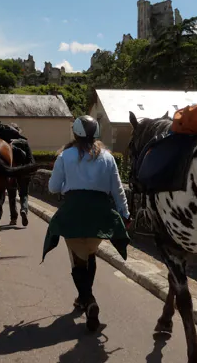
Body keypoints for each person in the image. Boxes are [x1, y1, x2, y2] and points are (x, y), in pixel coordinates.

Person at [42, 115, 131, 332]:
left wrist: (68, 184)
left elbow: (53, 187)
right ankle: (84, 299)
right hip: (100, 215)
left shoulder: (65, 156)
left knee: (77, 260)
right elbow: (118, 190)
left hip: (74, 213)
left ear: (75, 133)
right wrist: (125, 214)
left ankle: (88, 299)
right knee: (90, 254)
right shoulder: (108, 157)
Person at [7, 123, 32, 227]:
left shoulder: (7, 144)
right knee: (24, 194)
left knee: (12, 196)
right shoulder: (24, 142)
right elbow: (30, 159)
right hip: (23, 172)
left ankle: (13, 218)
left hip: (12, 173)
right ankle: (24, 209)